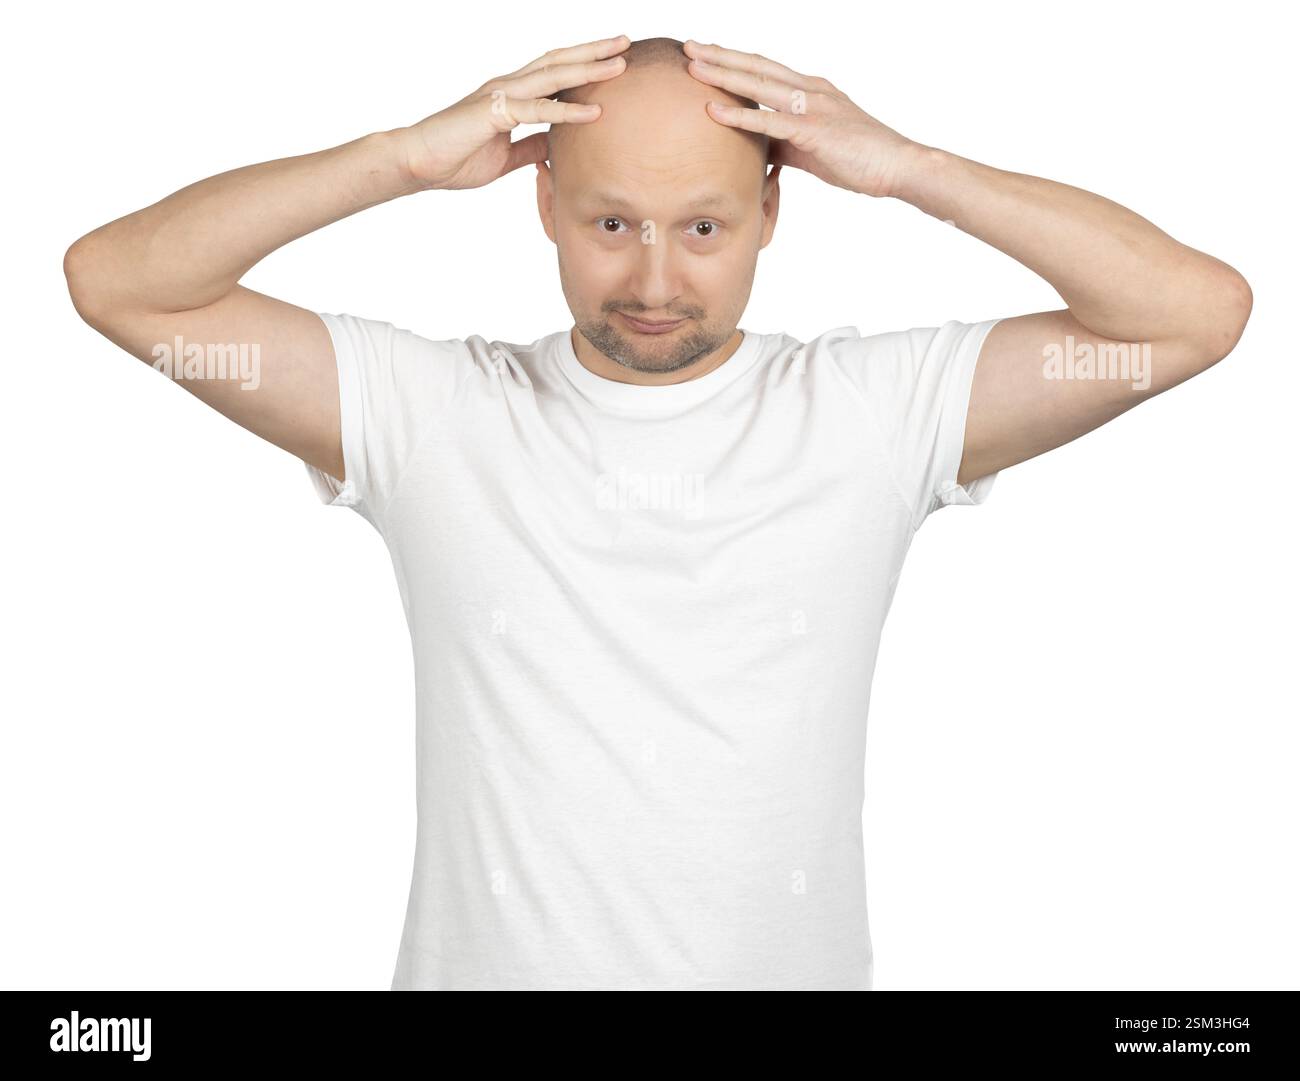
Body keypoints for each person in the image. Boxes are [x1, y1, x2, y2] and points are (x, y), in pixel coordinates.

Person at [62, 34, 1251, 991]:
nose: (652, 282)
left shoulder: (872, 415)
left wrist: (907, 167)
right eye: (611, 222)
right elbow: (118, 283)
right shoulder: (429, 417)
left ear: (774, 210)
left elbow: (1190, 316)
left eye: (703, 227)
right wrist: (400, 158)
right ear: (542, 198)